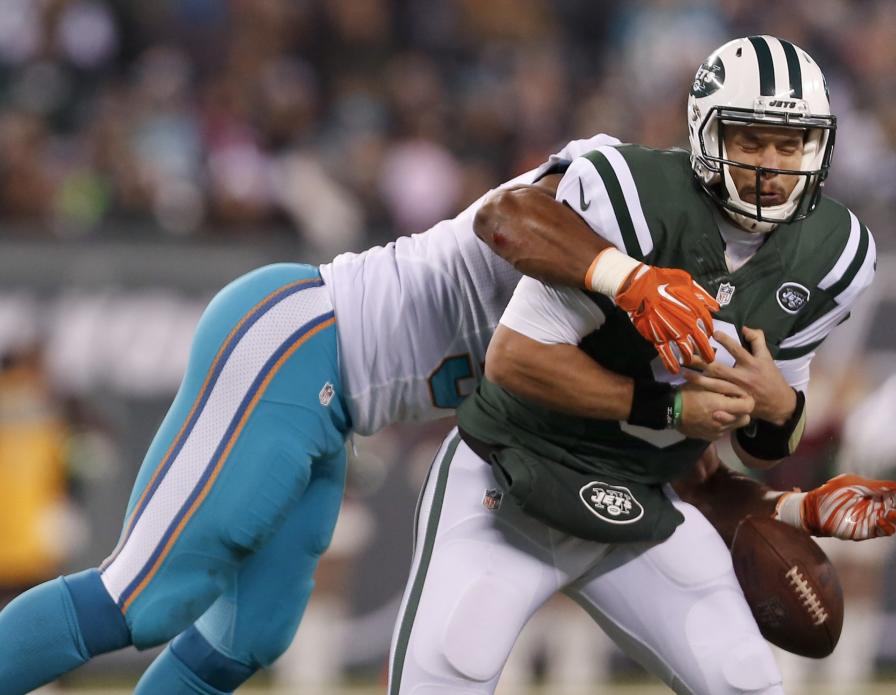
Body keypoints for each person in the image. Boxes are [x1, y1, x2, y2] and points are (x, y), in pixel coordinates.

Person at [0, 132, 729, 695]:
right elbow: (508, 216)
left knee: (250, 633)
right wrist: (628, 277)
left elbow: (670, 438)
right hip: (299, 341)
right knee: (148, 599)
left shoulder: (672, 299)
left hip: (340, 403)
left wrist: (748, 498)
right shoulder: (612, 188)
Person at [387, 35, 896, 695]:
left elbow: (768, 438)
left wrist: (779, 410)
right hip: (511, 478)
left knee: (746, 680)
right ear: (704, 133)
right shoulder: (633, 198)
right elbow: (515, 359)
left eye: (792, 143)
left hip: (642, 500)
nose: (773, 165)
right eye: (751, 140)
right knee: (444, 679)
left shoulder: (834, 254)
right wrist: (662, 400)